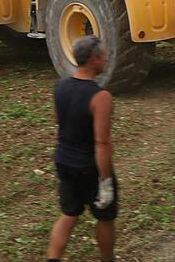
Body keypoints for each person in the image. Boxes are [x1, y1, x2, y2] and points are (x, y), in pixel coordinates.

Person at [47, 35, 117, 262]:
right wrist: (105, 181)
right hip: (89, 166)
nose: (106, 59)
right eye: (103, 56)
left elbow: (59, 120)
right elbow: (102, 142)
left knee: (69, 214)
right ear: (94, 60)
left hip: (63, 161)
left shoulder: (60, 86)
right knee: (105, 218)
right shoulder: (100, 96)